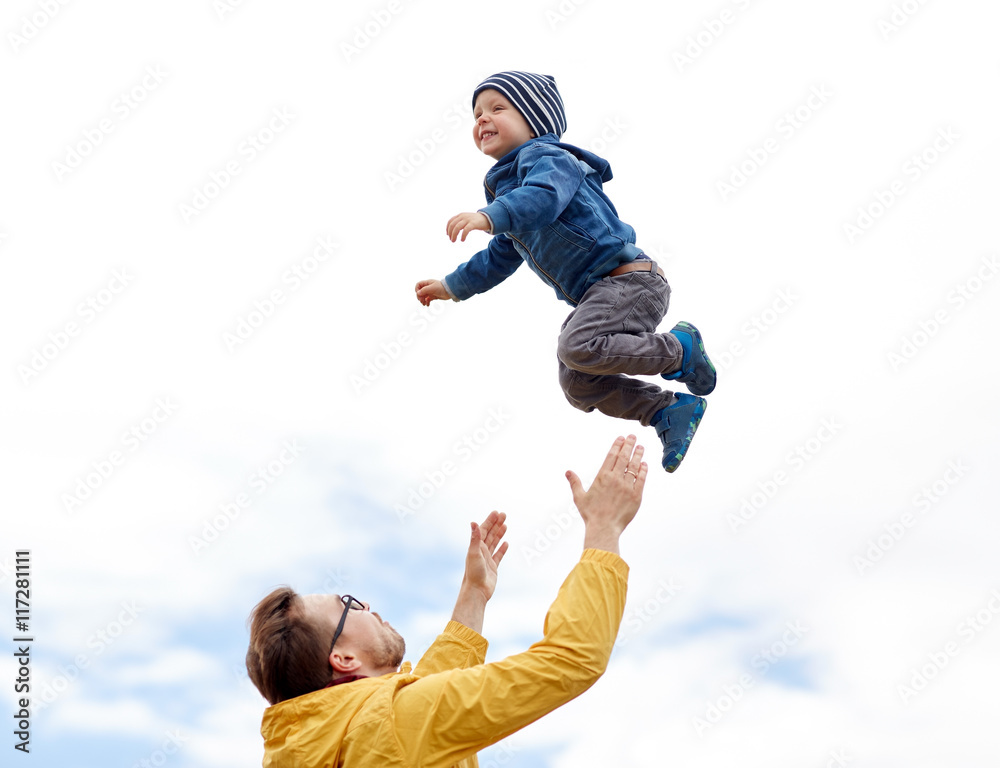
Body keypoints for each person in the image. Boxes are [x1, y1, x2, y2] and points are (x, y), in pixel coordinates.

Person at [246, 435, 648, 767]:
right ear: (345, 660)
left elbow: (422, 699)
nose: (366, 606)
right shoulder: (393, 723)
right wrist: (604, 528)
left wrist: (473, 595)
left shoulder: (317, 741)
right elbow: (572, 659)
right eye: (348, 605)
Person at [415, 71, 716, 472]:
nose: (482, 119)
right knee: (577, 383)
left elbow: (543, 198)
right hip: (601, 295)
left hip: (629, 281)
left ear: (534, 120)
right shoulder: (512, 195)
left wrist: (489, 216)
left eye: (497, 108)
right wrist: (452, 286)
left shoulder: (548, 159)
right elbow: (500, 257)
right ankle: (668, 410)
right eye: (476, 114)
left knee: (577, 346)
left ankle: (680, 349)